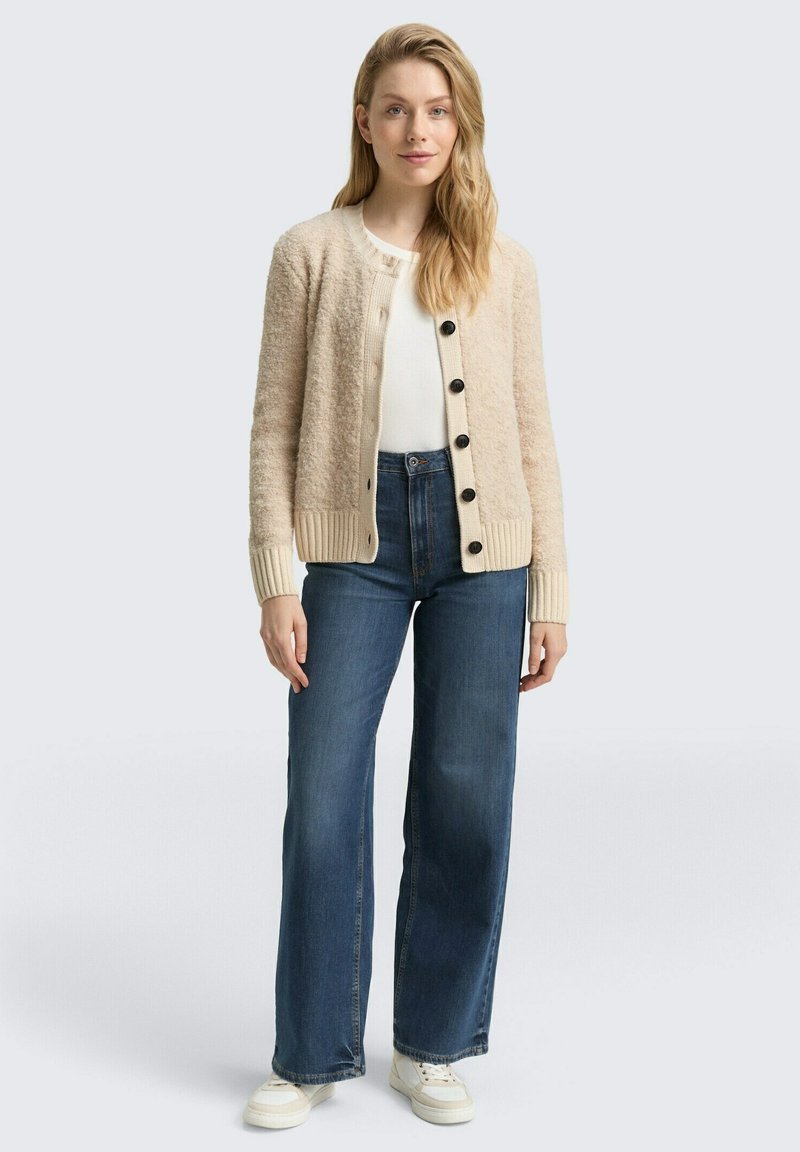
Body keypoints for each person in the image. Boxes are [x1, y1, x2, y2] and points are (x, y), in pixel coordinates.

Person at [242, 22, 569, 1130]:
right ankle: (309, 1053)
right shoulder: (309, 251)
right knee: (324, 794)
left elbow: (532, 432)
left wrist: (551, 590)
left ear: (460, 125)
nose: (416, 129)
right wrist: (274, 577)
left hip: (487, 553)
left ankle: (431, 1043)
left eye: (436, 110)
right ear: (364, 122)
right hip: (354, 544)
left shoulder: (504, 264)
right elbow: (271, 426)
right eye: (395, 108)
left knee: (465, 795)